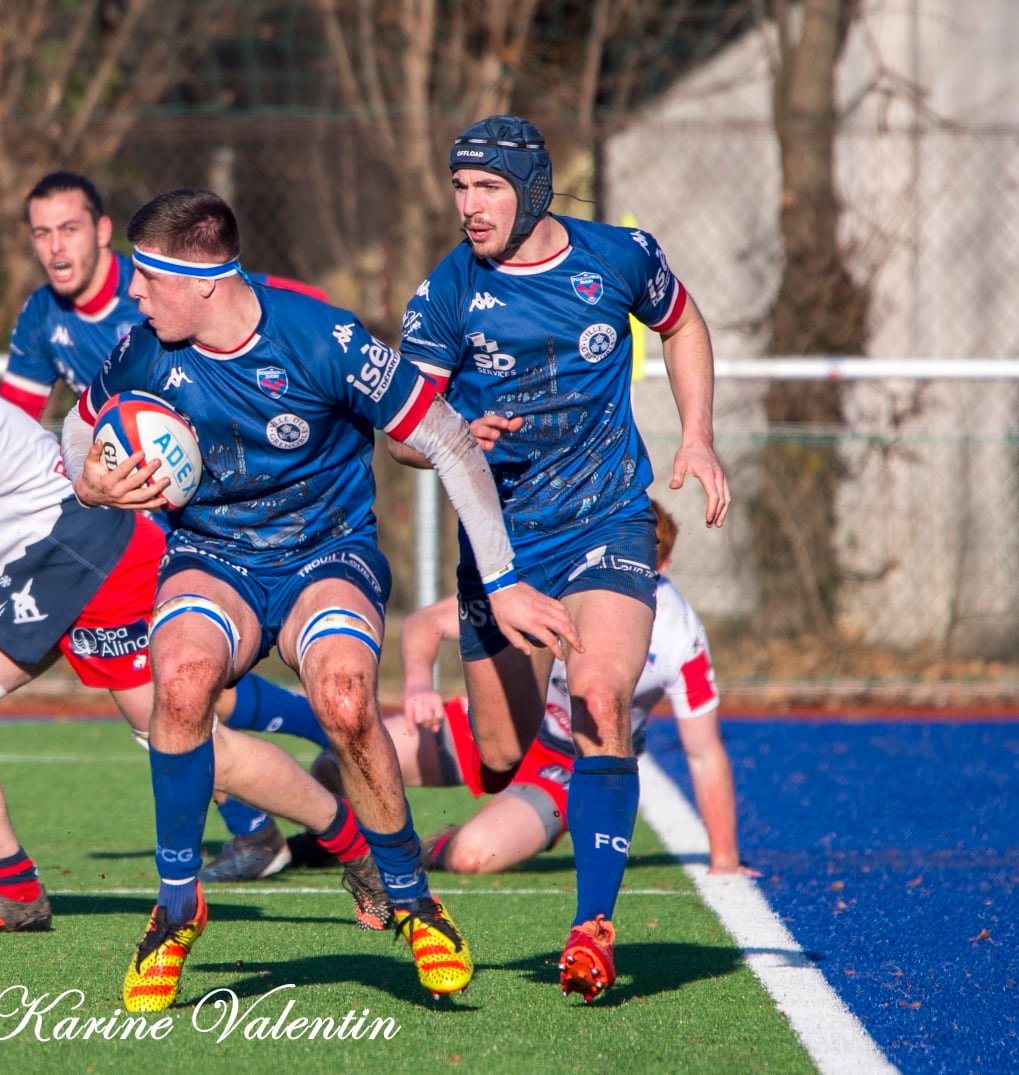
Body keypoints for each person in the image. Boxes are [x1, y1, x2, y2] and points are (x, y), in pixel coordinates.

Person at [64, 188, 581, 1010]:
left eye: (143, 278)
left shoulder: (322, 337)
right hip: (211, 556)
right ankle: (174, 908)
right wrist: (91, 484)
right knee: (182, 681)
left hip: (323, 555)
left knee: (343, 700)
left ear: (198, 281)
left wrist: (505, 577)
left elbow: (445, 438)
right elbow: (78, 433)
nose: (129, 294)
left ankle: (411, 899)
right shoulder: (140, 352)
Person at [0, 290, 395, 937]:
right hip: (33, 567)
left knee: (179, 740)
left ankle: (353, 846)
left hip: (88, 553)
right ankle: (14, 892)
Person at [394, 114, 731, 1002]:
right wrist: (450, 434)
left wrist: (696, 436)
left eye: (488, 188)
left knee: (597, 695)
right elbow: (400, 433)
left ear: (533, 189)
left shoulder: (618, 256)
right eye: (460, 187)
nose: (469, 206)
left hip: (607, 519)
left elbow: (684, 324)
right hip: (503, 545)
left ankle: (591, 928)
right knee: (500, 756)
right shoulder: (445, 291)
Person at [0, 171, 333, 883]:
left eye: (68, 228)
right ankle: (268, 817)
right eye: (40, 233)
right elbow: (24, 424)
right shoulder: (42, 315)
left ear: (101, 231)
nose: (54, 246)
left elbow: (267, 306)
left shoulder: (161, 282)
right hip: (120, 520)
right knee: (175, 693)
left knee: (177, 693)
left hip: (197, 517)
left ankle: (305, 782)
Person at [304, 502, 759, 881]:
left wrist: (724, 859)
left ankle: (420, 849)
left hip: (565, 766)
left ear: (662, 566)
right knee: (335, 766)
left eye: (640, 557)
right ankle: (342, 841)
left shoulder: (681, 635)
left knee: (472, 856)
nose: (624, 567)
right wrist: (420, 685)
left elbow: (704, 753)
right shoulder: (551, 582)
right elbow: (426, 624)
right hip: (498, 720)